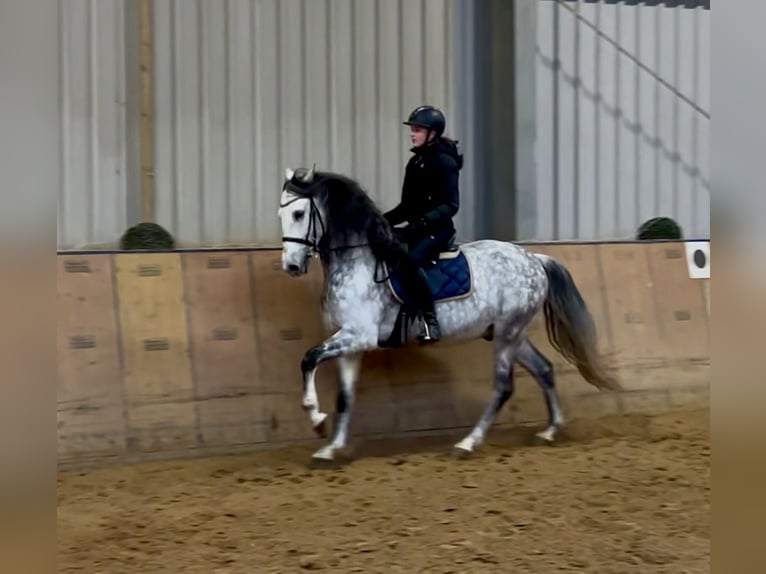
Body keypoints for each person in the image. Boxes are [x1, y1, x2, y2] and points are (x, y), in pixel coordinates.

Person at [384, 104, 464, 343]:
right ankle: (400, 325)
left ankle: (431, 321)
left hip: (437, 230)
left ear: (432, 133)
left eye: (418, 129)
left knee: (410, 262)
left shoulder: (445, 162)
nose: (412, 133)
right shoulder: (415, 163)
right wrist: (380, 221)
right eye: (413, 129)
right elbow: (406, 206)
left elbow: (452, 204)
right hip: (416, 228)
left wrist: (422, 222)